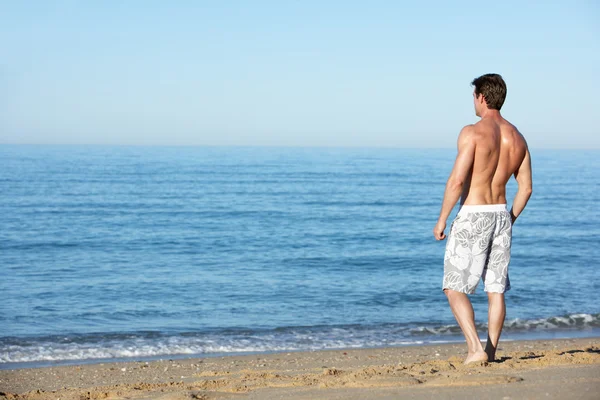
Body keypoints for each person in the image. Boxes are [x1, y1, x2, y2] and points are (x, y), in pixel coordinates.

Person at [433, 73, 532, 364]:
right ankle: (490, 351)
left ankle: (475, 349)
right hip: (501, 214)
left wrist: (441, 220)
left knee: (453, 286)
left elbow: (456, 181)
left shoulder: (472, 132)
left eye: (474, 96)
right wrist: (510, 218)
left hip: (474, 214)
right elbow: (525, 188)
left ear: (482, 97)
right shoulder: (518, 137)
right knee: (495, 289)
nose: (473, 102)